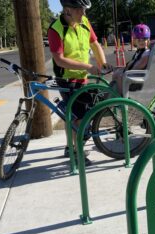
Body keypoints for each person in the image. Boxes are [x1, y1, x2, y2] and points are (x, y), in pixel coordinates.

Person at [48, 0, 110, 165]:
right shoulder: (56, 29)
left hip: (82, 78)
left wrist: (102, 63)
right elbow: (59, 60)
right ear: (67, 10)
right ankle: (77, 154)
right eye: (80, 10)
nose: (84, 14)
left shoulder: (84, 22)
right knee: (79, 118)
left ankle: (70, 148)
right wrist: (89, 67)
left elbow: (95, 44)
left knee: (72, 115)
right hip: (67, 80)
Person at [111, 24, 151, 96]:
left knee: (119, 75)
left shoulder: (146, 53)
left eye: (144, 39)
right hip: (133, 74)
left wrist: (128, 71)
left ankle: (121, 97)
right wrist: (123, 68)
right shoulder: (140, 51)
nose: (141, 42)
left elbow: (142, 63)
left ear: (148, 40)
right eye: (139, 40)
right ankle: (112, 92)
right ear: (135, 41)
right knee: (116, 73)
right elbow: (132, 62)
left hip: (135, 77)